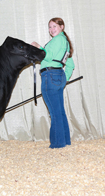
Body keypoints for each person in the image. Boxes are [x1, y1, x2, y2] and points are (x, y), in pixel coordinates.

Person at [31, 17, 75, 148]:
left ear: (62, 27)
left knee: (54, 112)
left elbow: (48, 56)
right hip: (57, 75)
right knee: (59, 111)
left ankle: (57, 143)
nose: (51, 30)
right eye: (50, 27)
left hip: (49, 76)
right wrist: (63, 79)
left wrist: (38, 47)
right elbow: (70, 65)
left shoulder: (58, 40)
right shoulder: (65, 42)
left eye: (54, 26)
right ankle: (65, 140)